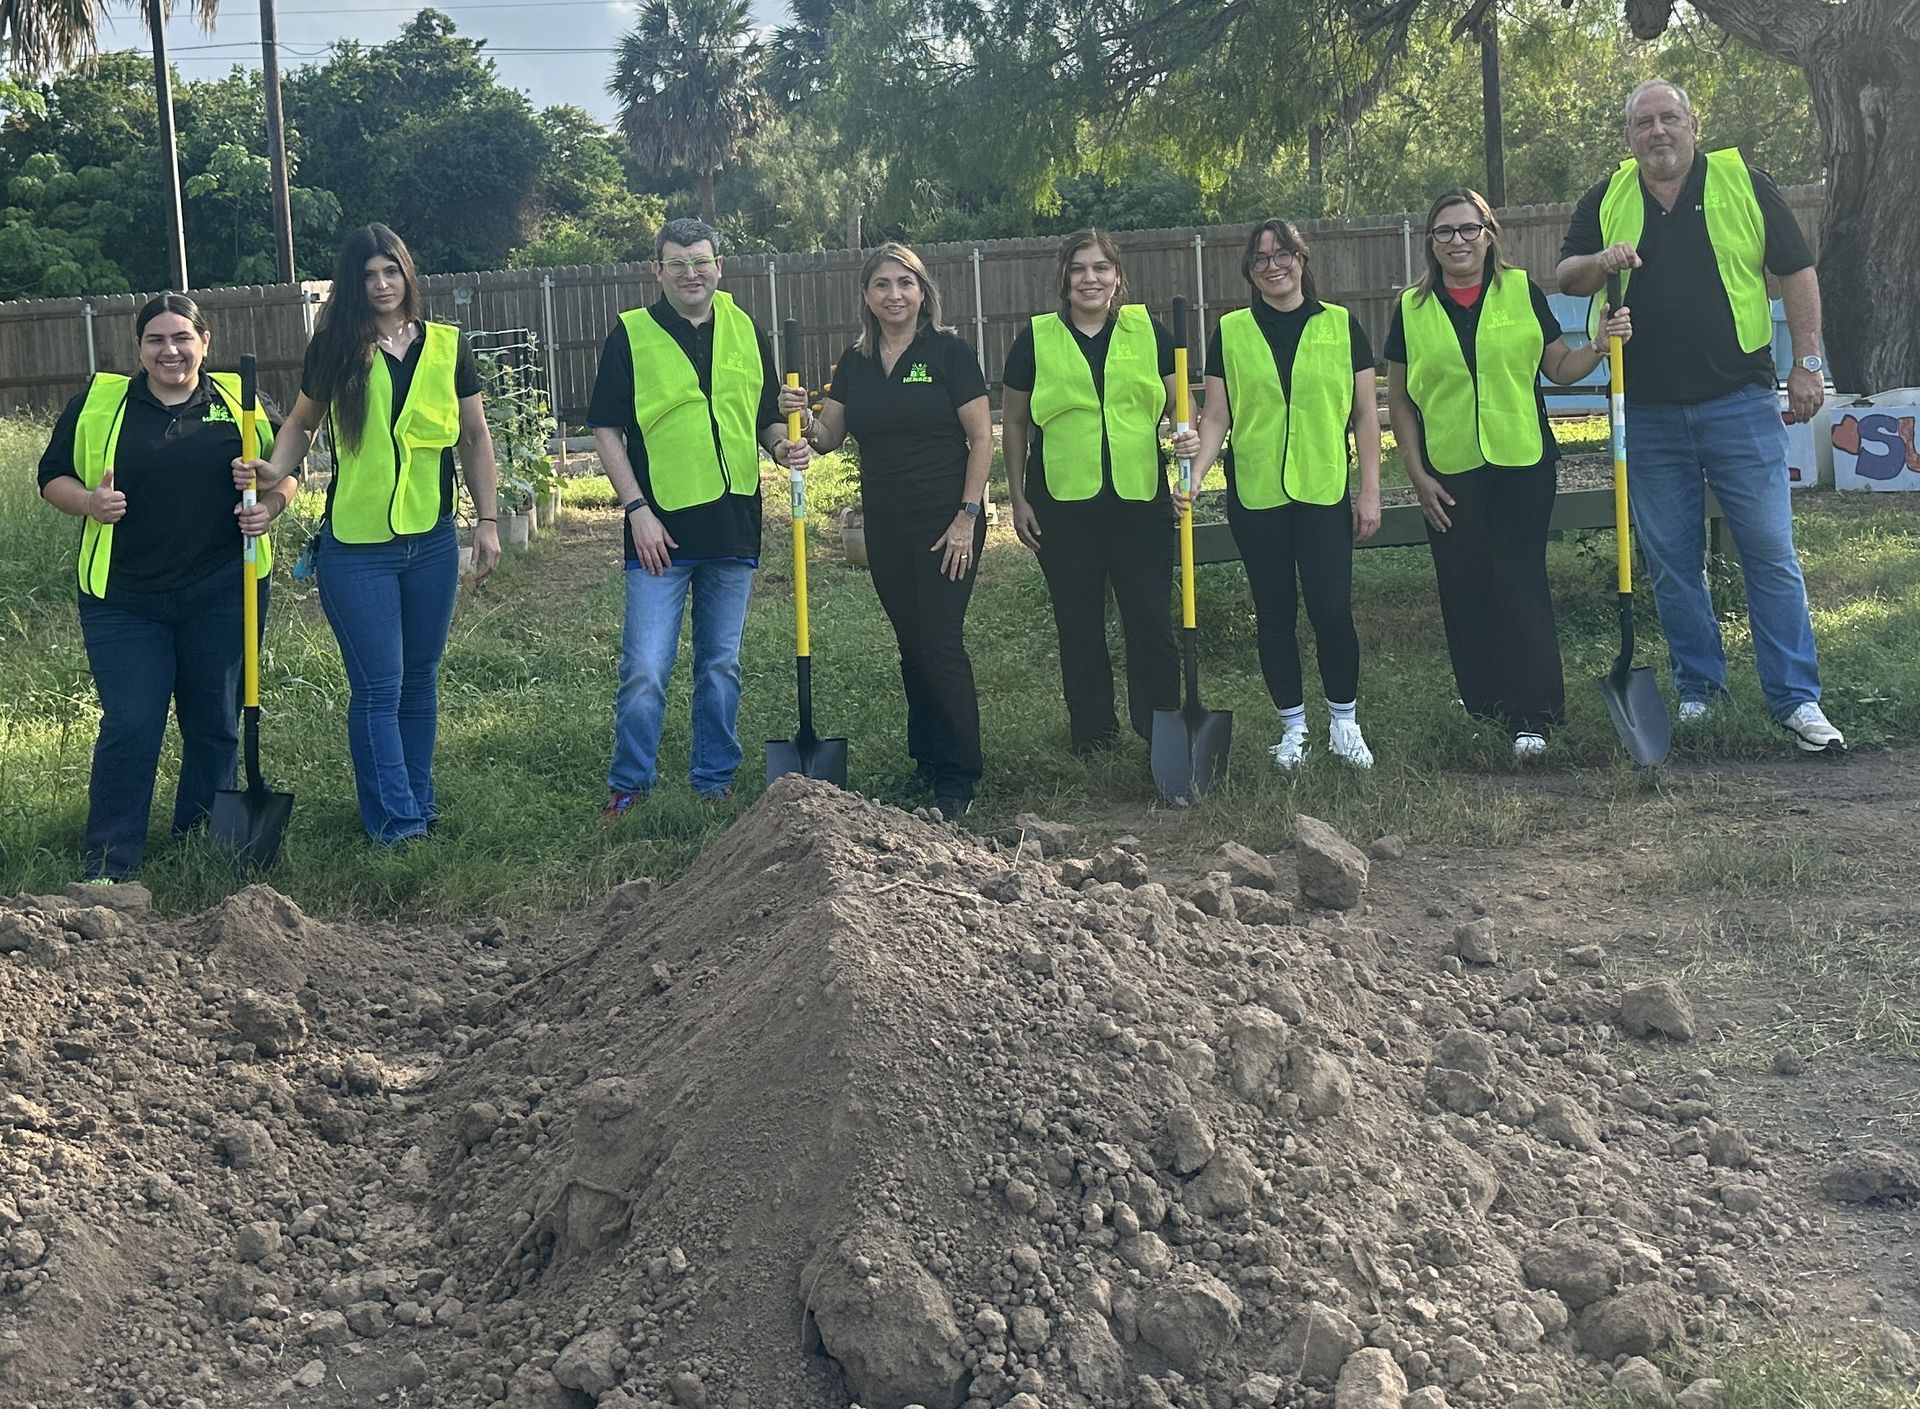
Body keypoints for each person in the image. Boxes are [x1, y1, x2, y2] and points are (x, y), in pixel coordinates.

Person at [1556, 79, 1842, 753]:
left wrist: (1808, 363)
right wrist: (1600, 260)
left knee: (1769, 551)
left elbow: (1798, 272)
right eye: (1644, 123)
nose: (1658, 131)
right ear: (1629, 137)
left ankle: (1796, 699)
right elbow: (1568, 273)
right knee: (1673, 562)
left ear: (1692, 124)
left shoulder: (1746, 182)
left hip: (1738, 404)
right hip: (1647, 412)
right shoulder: (1608, 196)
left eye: (1669, 118)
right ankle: (1699, 690)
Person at [241, 223, 501, 845]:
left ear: (408, 274)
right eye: (368, 275)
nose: (382, 285)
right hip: (356, 549)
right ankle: (396, 822)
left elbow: (474, 438)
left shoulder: (446, 346)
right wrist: (274, 469)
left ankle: (416, 800)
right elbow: (302, 425)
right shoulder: (335, 346)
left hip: (432, 541)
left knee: (420, 679)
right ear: (353, 284)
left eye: (391, 271)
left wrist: (487, 522)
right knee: (380, 685)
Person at [38, 292, 289, 881]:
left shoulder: (242, 401)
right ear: (139, 348)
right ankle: (110, 859)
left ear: (205, 343)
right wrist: (90, 504)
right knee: (131, 721)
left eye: (182, 338)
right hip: (124, 598)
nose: (170, 350)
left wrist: (270, 504)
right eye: (156, 339)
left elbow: (287, 470)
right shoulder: (99, 405)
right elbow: (51, 476)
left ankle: (198, 842)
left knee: (214, 722)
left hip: (224, 589)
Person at [1387, 188, 1633, 759]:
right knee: (1465, 588)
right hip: (1448, 473)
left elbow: (1560, 368)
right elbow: (1399, 400)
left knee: (1519, 583)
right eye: (1444, 232)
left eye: (1468, 229)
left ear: (1489, 233)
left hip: (1522, 464)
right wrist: (1416, 473)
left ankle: (1534, 714)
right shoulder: (1410, 308)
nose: (1458, 241)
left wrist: (1598, 346)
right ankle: (1484, 709)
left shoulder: (1521, 292)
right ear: (1431, 243)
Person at [586, 216, 810, 815]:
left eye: (701, 261)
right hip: (658, 530)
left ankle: (713, 781)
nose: (691, 272)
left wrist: (781, 445)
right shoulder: (630, 335)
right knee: (645, 670)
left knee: (720, 666)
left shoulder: (744, 328)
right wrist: (636, 510)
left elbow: (762, 418)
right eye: (677, 262)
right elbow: (605, 428)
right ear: (657, 270)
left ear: (719, 267)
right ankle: (629, 785)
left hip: (733, 524)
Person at [1174, 219, 1383, 772]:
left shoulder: (1342, 325)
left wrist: (1369, 491)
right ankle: (1293, 727)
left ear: (1301, 259)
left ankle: (1344, 723)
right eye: (1260, 258)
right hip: (1258, 496)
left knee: (1332, 609)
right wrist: (1194, 476)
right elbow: (1216, 417)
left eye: (1282, 253)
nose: (1273, 265)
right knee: (1274, 614)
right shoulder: (1232, 332)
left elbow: (1364, 415)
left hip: (1322, 492)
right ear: (1249, 269)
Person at [806, 243, 993, 816]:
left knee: (939, 643)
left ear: (922, 292)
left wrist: (967, 516)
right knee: (911, 647)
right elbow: (827, 437)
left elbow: (982, 439)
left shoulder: (948, 353)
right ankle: (927, 761)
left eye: (904, 284)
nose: (894, 295)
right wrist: (798, 414)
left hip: (946, 523)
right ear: (866, 295)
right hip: (885, 526)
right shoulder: (856, 361)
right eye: (882, 285)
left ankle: (959, 776)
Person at [1001, 229, 1180, 757]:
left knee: (1150, 622)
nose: (1090, 278)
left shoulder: (1151, 333)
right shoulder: (1034, 340)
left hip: (1141, 503)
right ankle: (1094, 737)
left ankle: (1160, 731)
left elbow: (1180, 411)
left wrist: (1184, 440)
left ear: (1117, 277)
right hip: (1062, 506)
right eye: (1079, 269)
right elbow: (1012, 424)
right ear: (1064, 278)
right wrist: (1018, 499)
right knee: (1079, 626)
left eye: (1101, 268)